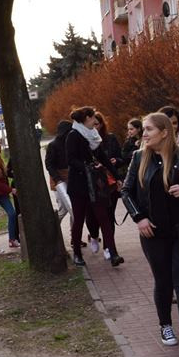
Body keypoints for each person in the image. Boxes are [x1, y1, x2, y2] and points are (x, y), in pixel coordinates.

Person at [122, 113, 179, 357]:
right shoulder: (139, 157)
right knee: (163, 280)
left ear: (164, 132)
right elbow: (126, 192)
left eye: (148, 129)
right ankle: (165, 324)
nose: (143, 134)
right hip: (152, 233)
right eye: (143, 129)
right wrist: (139, 218)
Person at [65, 106, 122, 267]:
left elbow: (103, 157)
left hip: (95, 185)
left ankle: (113, 253)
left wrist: (117, 177)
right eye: (92, 118)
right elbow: (70, 160)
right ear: (86, 119)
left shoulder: (94, 136)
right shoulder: (73, 135)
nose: (95, 121)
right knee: (79, 220)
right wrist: (87, 167)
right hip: (79, 185)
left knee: (104, 217)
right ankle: (77, 253)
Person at [86, 112, 123, 256]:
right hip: (93, 184)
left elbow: (120, 157)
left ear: (101, 124)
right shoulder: (83, 141)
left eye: (97, 123)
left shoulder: (110, 138)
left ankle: (109, 247)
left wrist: (116, 162)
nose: (95, 126)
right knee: (92, 217)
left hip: (110, 182)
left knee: (109, 215)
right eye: (92, 124)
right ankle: (94, 236)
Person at [44, 120, 73, 224]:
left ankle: (74, 236)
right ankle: (52, 227)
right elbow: (49, 164)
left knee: (73, 209)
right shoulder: (53, 145)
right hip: (58, 180)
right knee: (64, 209)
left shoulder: (70, 143)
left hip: (70, 178)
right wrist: (57, 179)